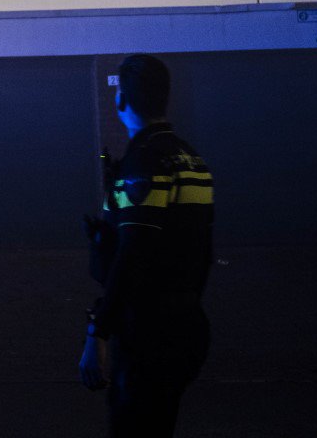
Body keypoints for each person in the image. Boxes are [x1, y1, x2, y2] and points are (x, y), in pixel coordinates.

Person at [79, 54, 215, 438]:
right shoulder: (192, 159)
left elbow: (133, 253)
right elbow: (202, 250)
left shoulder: (144, 162)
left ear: (121, 100)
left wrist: (98, 331)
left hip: (147, 333)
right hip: (186, 322)